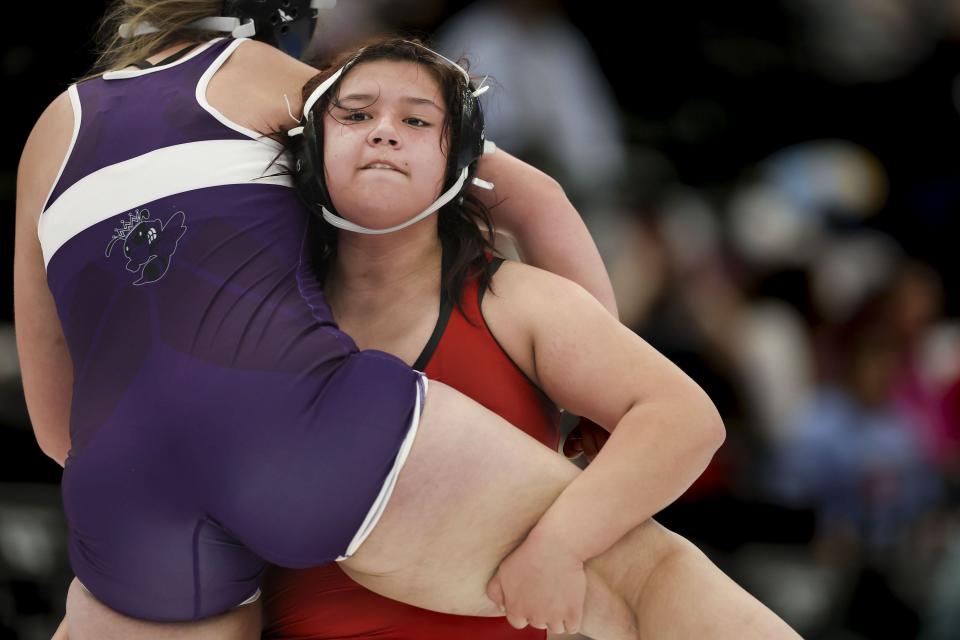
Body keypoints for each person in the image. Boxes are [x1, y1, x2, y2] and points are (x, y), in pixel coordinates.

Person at [14, 3, 798, 639]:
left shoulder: (48, 134)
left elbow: (55, 427)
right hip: (290, 430)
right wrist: (593, 397)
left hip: (121, 493)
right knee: (641, 578)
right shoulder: (284, 80)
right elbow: (536, 198)